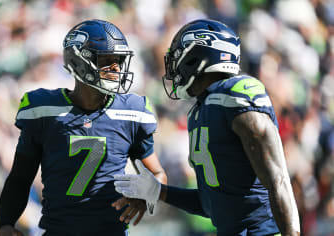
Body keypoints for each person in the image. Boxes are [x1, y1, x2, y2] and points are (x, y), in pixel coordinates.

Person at [114, 19, 301, 236]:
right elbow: (211, 205)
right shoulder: (199, 112)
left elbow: (278, 179)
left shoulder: (237, 93)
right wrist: (159, 192)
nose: (174, 68)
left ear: (197, 57)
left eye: (179, 58)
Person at [0, 19, 167, 236]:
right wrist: (5, 224)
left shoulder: (132, 112)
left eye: (119, 61)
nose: (115, 68)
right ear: (79, 62)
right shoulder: (45, 111)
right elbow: (20, 178)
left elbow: (158, 174)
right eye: (107, 60)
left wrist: (146, 195)